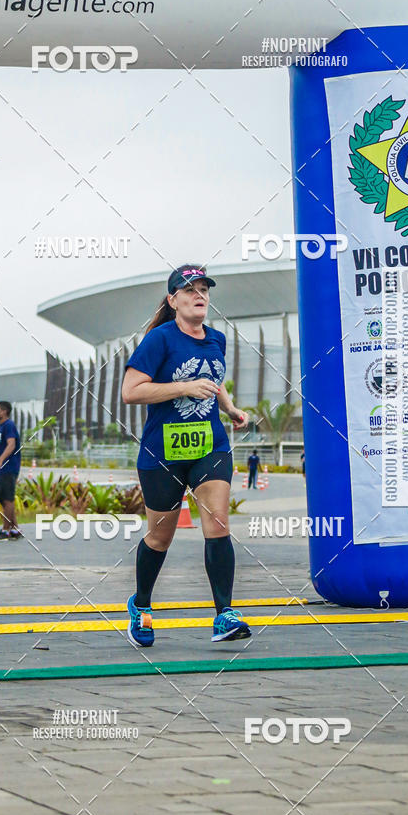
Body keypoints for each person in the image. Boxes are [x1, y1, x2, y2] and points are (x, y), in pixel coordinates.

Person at [122, 264, 251, 647]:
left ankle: (224, 614)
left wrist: (230, 409)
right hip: (163, 452)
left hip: (210, 446)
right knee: (160, 538)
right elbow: (131, 391)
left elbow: (214, 380)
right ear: (173, 300)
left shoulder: (217, 339)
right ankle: (141, 605)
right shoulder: (159, 340)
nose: (199, 295)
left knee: (218, 524)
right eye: (190, 289)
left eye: (204, 289)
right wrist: (182, 387)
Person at [0, 401, 23, 541]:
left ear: (4, 411)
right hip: (3, 469)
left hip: (9, 467)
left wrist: (0, 460)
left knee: (7, 499)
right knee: (5, 500)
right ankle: (15, 530)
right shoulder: (1, 427)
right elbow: (0, 446)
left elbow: (12, 444)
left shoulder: (9, 425)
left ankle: (5, 531)